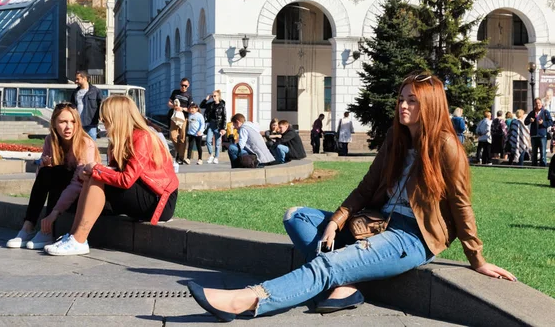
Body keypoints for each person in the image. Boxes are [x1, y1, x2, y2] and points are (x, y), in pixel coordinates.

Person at [186, 73, 515, 322]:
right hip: (376, 222)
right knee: (297, 216)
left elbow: (461, 205)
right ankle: (346, 286)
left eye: (412, 100)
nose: (403, 105)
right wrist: (336, 220)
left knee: (328, 263)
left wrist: (478, 260)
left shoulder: (446, 146)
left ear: (429, 105)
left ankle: (248, 300)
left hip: (412, 237)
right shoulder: (396, 138)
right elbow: (366, 185)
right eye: (401, 98)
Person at [45, 96, 179, 256]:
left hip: (159, 201)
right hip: (144, 192)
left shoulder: (142, 137)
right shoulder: (120, 140)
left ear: (117, 117)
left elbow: (126, 179)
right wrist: (92, 171)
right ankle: (74, 236)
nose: (103, 122)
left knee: (96, 175)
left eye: (106, 118)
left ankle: (79, 240)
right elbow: (116, 173)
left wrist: (96, 169)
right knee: (92, 176)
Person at [6, 103, 99, 249]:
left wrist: (54, 213)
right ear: (54, 124)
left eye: (72, 121)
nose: (68, 127)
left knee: (59, 173)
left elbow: (78, 182)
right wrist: (44, 166)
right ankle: (28, 227)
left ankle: (47, 231)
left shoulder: (85, 143)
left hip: (82, 195)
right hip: (62, 189)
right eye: (63, 122)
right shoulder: (51, 140)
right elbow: (42, 178)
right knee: (48, 171)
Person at [70, 70, 103, 141]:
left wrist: (101, 115)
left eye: (77, 79)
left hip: (91, 124)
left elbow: (101, 105)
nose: (76, 81)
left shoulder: (96, 91)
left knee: (92, 145)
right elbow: (72, 107)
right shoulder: (75, 92)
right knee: (79, 145)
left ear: (84, 78)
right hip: (78, 124)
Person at [168, 78, 193, 164]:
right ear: (180, 84)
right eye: (182, 85)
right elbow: (169, 103)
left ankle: (180, 157)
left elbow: (190, 109)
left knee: (182, 138)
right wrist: (173, 106)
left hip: (184, 118)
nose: (183, 87)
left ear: (188, 86)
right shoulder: (175, 92)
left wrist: (182, 108)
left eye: (185, 86)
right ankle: (178, 151)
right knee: (172, 136)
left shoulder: (189, 95)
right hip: (174, 116)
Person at [524, 98, 553, 167]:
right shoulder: (532, 113)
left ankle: (543, 166)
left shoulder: (545, 112)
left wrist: (543, 123)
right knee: (534, 153)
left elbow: (550, 122)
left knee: (543, 152)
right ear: (534, 104)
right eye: (536, 103)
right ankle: (534, 166)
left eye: (539, 103)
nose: (538, 104)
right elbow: (525, 122)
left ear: (541, 104)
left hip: (542, 135)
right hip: (534, 135)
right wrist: (529, 120)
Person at [200, 90, 226, 164]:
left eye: (215, 96)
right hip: (211, 124)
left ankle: (216, 157)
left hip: (218, 125)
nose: (213, 97)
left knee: (217, 143)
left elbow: (224, 117)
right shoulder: (210, 104)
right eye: (213, 96)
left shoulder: (222, 105)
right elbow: (201, 106)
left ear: (219, 96)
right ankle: (211, 155)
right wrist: (207, 99)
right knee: (208, 140)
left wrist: (223, 128)